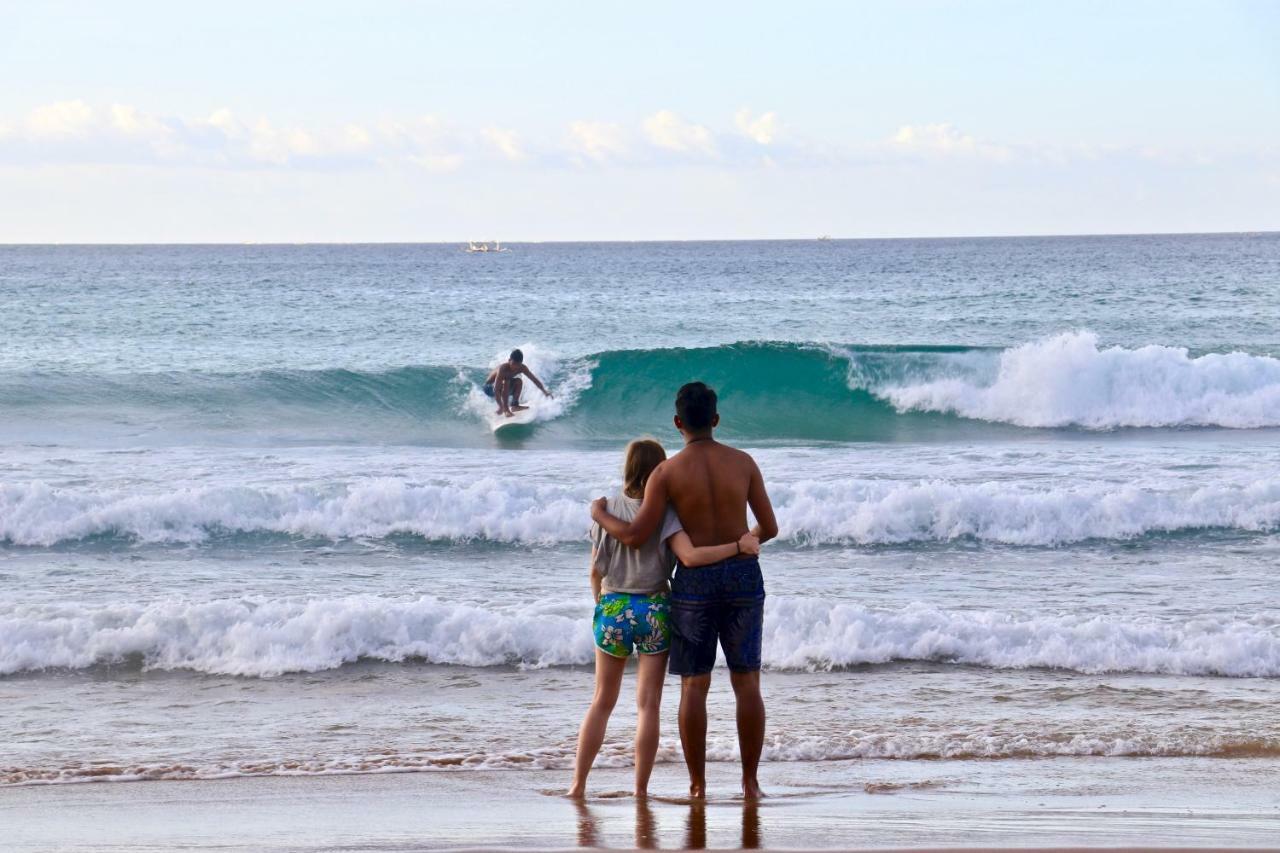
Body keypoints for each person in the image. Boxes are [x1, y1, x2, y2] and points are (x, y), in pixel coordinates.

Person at [590, 382, 779, 800]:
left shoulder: (667, 473)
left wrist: (600, 514)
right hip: (744, 576)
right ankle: (750, 783)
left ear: (678, 423)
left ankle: (698, 785)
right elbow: (770, 527)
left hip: (695, 583)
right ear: (715, 419)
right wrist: (744, 541)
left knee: (695, 686)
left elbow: (638, 535)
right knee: (747, 683)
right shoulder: (744, 462)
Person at [483, 349, 551, 416]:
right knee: (507, 380)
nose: (515, 367)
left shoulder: (522, 368)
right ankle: (506, 410)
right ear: (509, 360)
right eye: (513, 364)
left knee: (519, 381)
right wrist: (500, 406)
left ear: (521, 363)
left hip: (500, 387)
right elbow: (496, 389)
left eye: (517, 365)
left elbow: (534, 380)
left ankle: (515, 405)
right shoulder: (503, 369)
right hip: (489, 388)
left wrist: (545, 391)